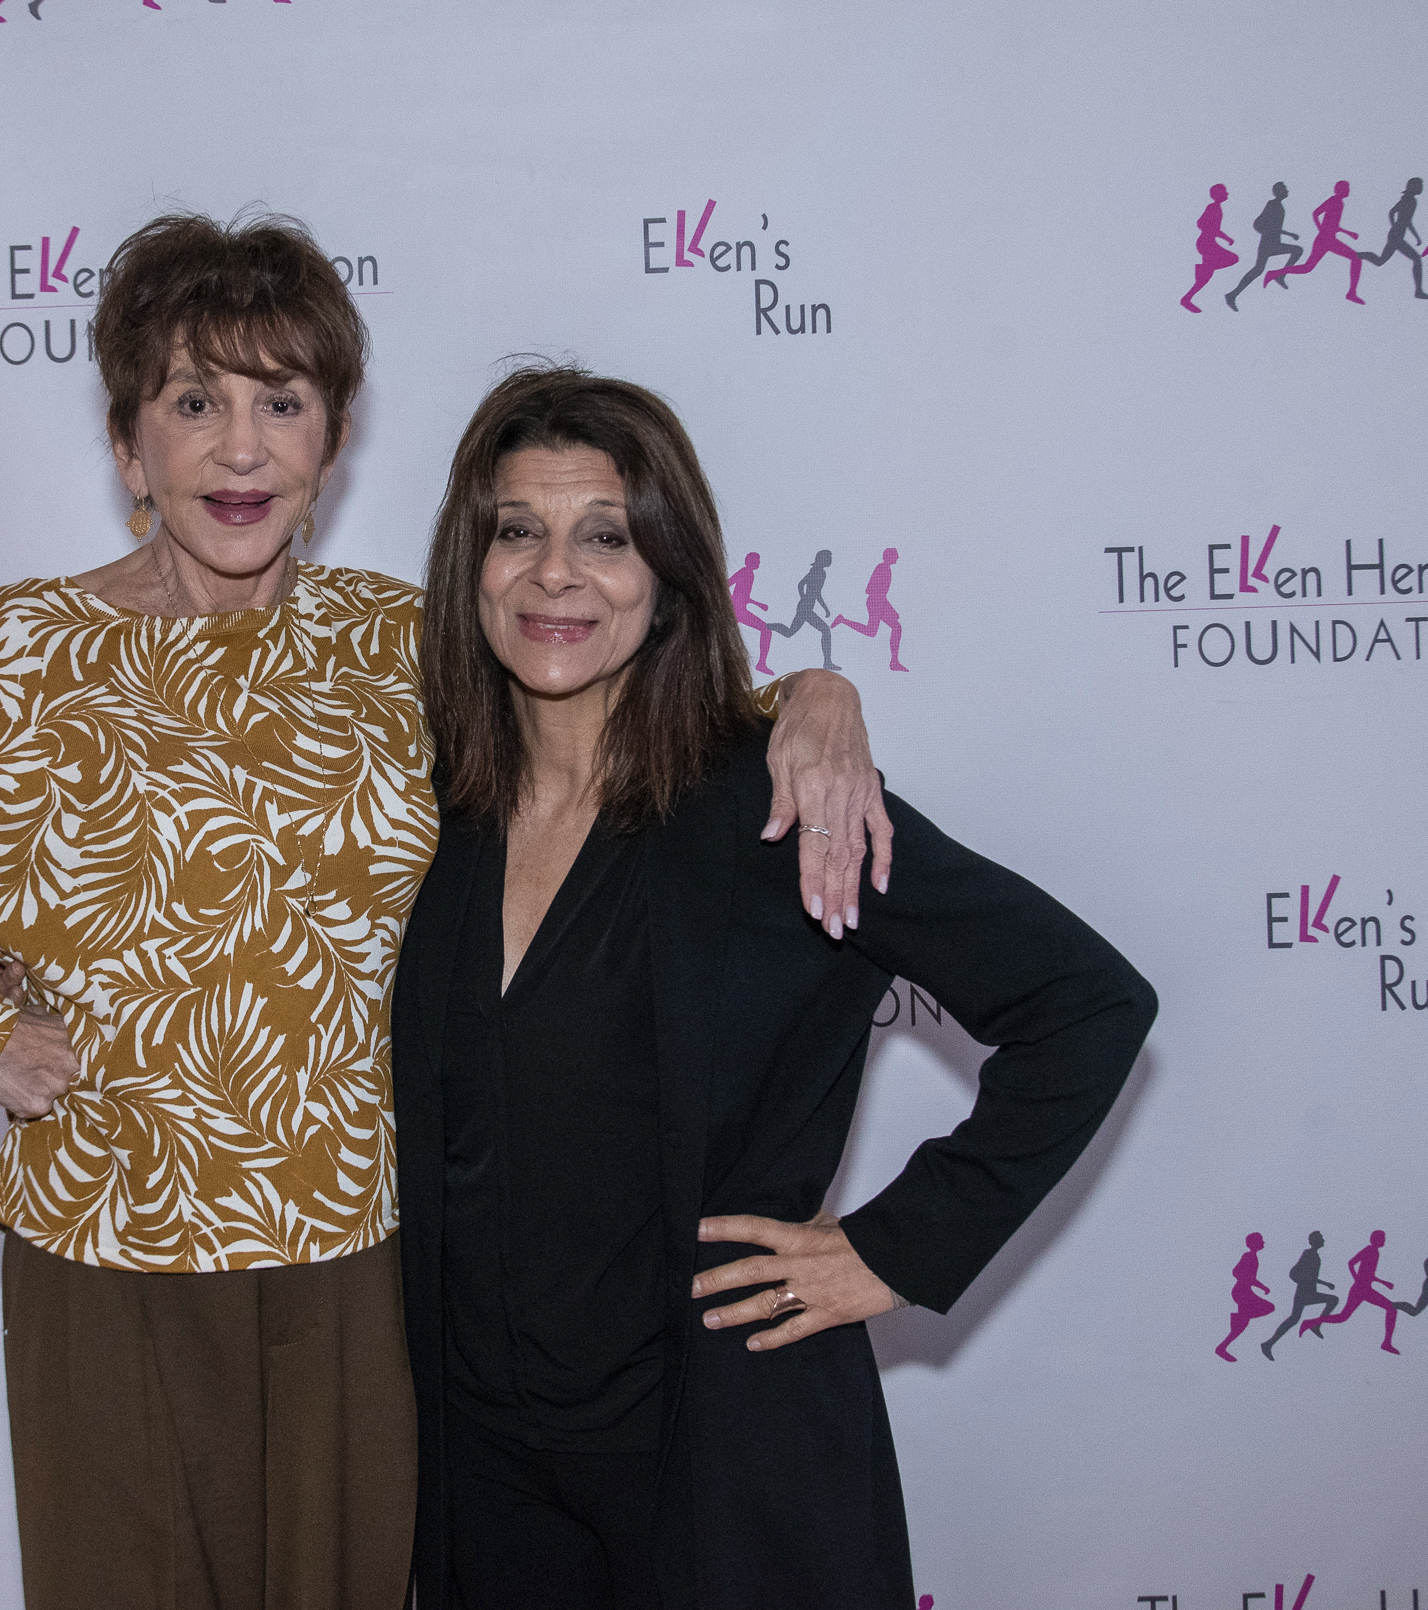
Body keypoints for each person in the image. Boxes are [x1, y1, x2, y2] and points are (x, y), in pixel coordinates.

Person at [0, 211, 889, 1610]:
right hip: (110, 1254)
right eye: (194, 402)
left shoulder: (397, 644)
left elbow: (622, 696)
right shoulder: (1, 665)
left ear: (330, 441)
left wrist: (818, 697)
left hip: (366, 1260)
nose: (241, 448)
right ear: (128, 444)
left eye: (280, 403)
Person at [394, 367, 1155, 1609]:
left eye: (606, 535)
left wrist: (891, 1247)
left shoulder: (782, 806)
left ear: (670, 574)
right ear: (468, 561)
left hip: (721, 1466)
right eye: (516, 530)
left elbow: (1085, 1003)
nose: (554, 575)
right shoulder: (429, 806)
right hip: (484, 1481)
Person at [1265, 182, 1365, 303]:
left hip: (1329, 239)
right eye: (1347, 188)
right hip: (1325, 240)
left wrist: (1347, 233)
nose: (1348, 190)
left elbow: (1332, 225)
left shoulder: (1339, 202)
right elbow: (1316, 213)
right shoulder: (1334, 200)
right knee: (1355, 259)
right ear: (1341, 190)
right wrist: (1321, 230)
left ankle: (1274, 273)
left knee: (1308, 267)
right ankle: (1351, 293)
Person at [1304, 1230, 1402, 1353]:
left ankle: (1312, 1322)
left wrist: (1383, 1282)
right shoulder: (1369, 1250)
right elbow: (1351, 1263)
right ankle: (1386, 1343)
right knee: (1389, 1309)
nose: (1384, 1240)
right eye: (1382, 1238)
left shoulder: (1375, 1252)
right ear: (1376, 1239)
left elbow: (1368, 1275)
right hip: (1360, 1290)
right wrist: (1357, 1280)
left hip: (1365, 1289)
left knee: (1344, 1316)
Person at [1260, 1230, 1339, 1359]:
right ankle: (1269, 1343)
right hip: (1303, 1293)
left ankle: (1269, 1343)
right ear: (1315, 1241)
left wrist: (1325, 1283)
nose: (1323, 1241)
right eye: (1321, 1238)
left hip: (1310, 1292)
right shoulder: (1308, 1254)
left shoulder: (1315, 1256)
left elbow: (1311, 1276)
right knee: (1294, 1319)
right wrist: (1305, 1281)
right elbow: (1293, 1272)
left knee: (1296, 1318)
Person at [1357, 178, 1428, 299]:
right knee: (1416, 258)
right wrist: (1395, 226)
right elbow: (1393, 213)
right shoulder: (1408, 199)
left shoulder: (1411, 200)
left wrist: (1416, 237)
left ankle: (1358, 255)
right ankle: (1419, 291)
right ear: (1412, 186)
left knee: (1380, 261)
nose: (1421, 188)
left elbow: (1406, 220)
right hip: (1396, 236)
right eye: (1419, 185)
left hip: (1397, 235)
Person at [1215, 1232, 1274, 1362]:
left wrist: (1260, 1286)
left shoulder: (1253, 1257)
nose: (1263, 1243)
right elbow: (1236, 1272)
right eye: (1260, 1240)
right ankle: (1237, 1321)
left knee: (1243, 1323)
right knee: (1268, 1307)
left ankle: (1222, 1346)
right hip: (1241, 1291)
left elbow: (1249, 1278)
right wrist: (1261, 1286)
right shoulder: (1248, 1256)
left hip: (1245, 1291)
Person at [1180, 184, 1238, 312]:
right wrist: (1224, 237)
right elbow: (1201, 223)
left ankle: (1187, 298)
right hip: (1206, 243)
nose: (1227, 193)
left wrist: (1225, 238)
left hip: (1209, 243)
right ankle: (1204, 268)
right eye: (1224, 191)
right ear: (1217, 194)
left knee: (1205, 277)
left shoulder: (1217, 208)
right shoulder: (1213, 208)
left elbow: (1213, 229)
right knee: (1232, 258)